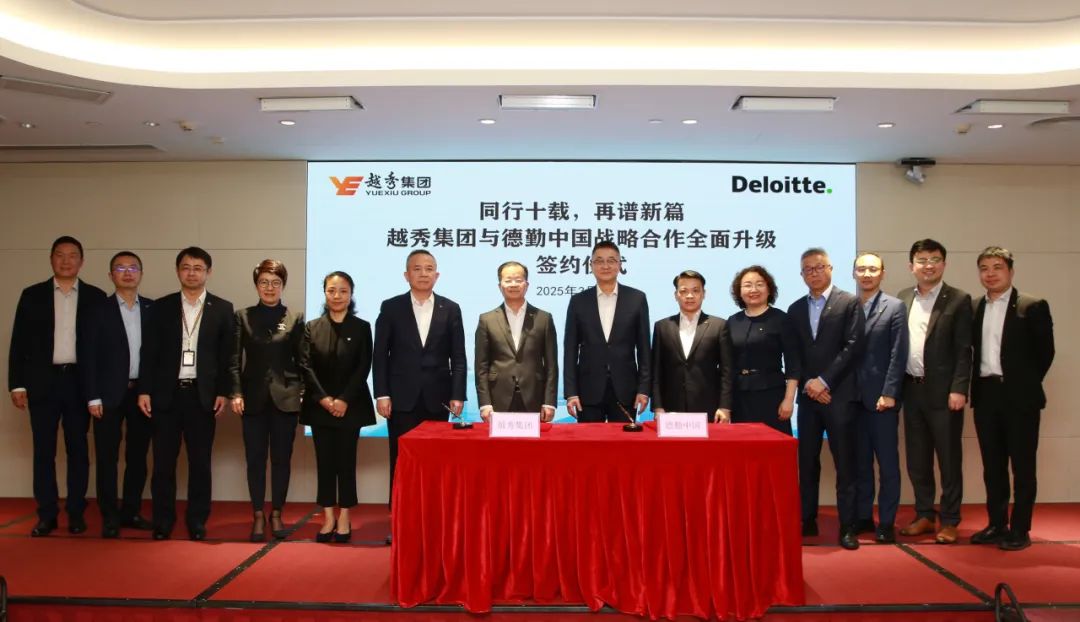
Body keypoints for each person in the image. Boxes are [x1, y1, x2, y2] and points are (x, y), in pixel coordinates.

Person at [8, 236, 106, 536]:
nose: (66, 261)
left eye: (72, 255)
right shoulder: (32, 295)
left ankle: (76, 513)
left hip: (79, 383)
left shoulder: (95, 297)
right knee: (43, 451)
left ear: (82, 261)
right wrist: (17, 384)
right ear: (51, 259)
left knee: (78, 450)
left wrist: (98, 389)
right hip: (43, 383)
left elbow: (104, 348)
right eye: (60, 255)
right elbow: (19, 341)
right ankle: (47, 515)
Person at [138, 247, 234, 541]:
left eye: (198, 268)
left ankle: (197, 520)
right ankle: (163, 521)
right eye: (186, 267)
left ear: (208, 272)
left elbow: (227, 356)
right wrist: (144, 390)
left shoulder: (222, 308)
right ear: (178, 270)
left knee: (200, 463)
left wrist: (224, 392)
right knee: (163, 464)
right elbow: (149, 352)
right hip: (166, 396)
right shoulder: (162, 307)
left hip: (202, 397)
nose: (192, 273)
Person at [374, 249, 467, 543]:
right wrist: (382, 394)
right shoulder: (391, 307)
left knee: (436, 465)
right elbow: (380, 355)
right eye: (417, 268)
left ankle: (435, 525)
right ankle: (400, 524)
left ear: (437, 275)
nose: (423, 273)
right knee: (401, 463)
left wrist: (458, 394)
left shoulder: (451, 308)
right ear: (407, 275)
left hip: (438, 399)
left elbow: (458, 357)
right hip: (401, 399)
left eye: (429, 268)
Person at [969, 247, 1054, 551]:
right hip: (985, 395)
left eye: (997, 267)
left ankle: (1020, 529)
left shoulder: (1032, 306)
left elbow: (1045, 354)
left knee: (1023, 466)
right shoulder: (975, 307)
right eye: (984, 268)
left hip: (1020, 397)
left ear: (1010, 271)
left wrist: (1022, 383)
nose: (990, 274)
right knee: (992, 466)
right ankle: (996, 524)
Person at [787, 248, 864, 550]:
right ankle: (807, 519)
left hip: (839, 395)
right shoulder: (795, 309)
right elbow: (794, 353)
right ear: (801, 274)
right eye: (808, 269)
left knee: (845, 464)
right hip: (808, 398)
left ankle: (848, 527)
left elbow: (853, 346)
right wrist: (809, 382)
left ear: (831, 269)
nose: (814, 273)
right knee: (807, 462)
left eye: (819, 267)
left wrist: (825, 380)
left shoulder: (849, 302)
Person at [896, 239, 972, 545]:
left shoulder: (958, 299)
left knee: (949, 459)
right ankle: (925, 514)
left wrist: (959, 388)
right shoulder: (903, 298)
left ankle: (950, 520)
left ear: (944, 264)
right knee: (917, 459)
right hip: (911, 389)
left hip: (944, 394)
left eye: (935, 259)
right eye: (922, 260)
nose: (929, 265)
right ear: (911, 265)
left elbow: (964, 349)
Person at [229, 259, 304, 542]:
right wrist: (236, 393)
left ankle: (277, 512)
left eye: (275, 283)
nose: (269, 288)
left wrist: (302, 391)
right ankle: (258, 513)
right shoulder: (243, 316)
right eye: (264, 282)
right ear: (256, 285)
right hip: (252, 399)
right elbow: (233, 360)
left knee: (282, 459)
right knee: (255, 459)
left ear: (283, 285)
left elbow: (303, 360)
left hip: (286, 397)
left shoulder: (295, 317)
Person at [80, 251, 154, 538]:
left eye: (133, 268)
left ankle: (130, 511)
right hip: (107, 395)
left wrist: (150, 389)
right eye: (120, 268)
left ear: (141, 274)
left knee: (138, 457)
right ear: (111, 275)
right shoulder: (97, 310)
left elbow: (158, 355)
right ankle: (109, 516)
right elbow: (88, 356)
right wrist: (92, 396)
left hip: (142, 394)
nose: (127, 272)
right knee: (107, 458)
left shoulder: (152, 309)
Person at [300, 271, 375, 544]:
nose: (337, 296)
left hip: (350, 406)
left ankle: (344, 516)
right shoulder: (312, 327)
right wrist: (323, 398)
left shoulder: (362, 327)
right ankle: (328, 516)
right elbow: (305, 365)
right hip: (319, 406)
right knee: (324, 463)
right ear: (325, 293)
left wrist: (343, 399)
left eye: (343, 291)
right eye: (331, 290)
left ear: (351, 294)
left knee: (345, 462)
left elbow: (363, 366)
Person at [851, 253, 909, 544]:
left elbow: (899, 354)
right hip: (853, 399)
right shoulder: (848, 307)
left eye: (872, 269)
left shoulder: (895, 307)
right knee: (861, 464)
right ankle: (863, 516)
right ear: (854, 273)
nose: (866, 274)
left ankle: (886, 522)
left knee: (887, 465)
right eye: (861, 269)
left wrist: (889, 392)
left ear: (882, 273)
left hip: (881, 400)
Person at [564, 241, 651, 423]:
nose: (605, 266)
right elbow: (570, 350)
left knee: (623, 441)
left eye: (611, 261)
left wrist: (643, 389)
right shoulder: (578, 301)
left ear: (619, 265)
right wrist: (571, 392)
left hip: (626, 390)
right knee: (588, 441)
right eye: (599, 261)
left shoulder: (637, 299)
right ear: (591, 265)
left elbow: (644, 349)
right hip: (588, 390)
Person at [474, 261, 558, 422]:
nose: (513, 284)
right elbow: (481, 366)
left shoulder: (544, 318)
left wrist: (549, 402)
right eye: (508, 280)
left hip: (535, 396)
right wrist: (484, 403)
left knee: (534, 439)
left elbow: (551, 365)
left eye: (518, 280)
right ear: (500, 286)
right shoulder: (487, 320)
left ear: (527, 285)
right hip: (498, 396)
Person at [726, 265, 800, 435]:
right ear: (739, 291)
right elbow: (727, 364)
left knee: (773, 445)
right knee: (743, 445)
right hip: (740, 397)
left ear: (769, 289)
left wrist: (789, 400)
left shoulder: (781, 319)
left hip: (772, 395)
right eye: (747, 285)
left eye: (759, 284)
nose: (754, 290)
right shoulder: (732, 321)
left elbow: (793, 363)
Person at [651, 270, 733, 422]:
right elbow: (656, 371)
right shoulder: (662, 326)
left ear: (703, 294)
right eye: (684, 291)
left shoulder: (719, 325)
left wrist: (725, 407)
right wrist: (657, 406)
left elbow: (727, 371)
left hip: (709, 406)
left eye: (695, 290)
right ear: (676, 295)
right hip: (670, 407)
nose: (690, 296)